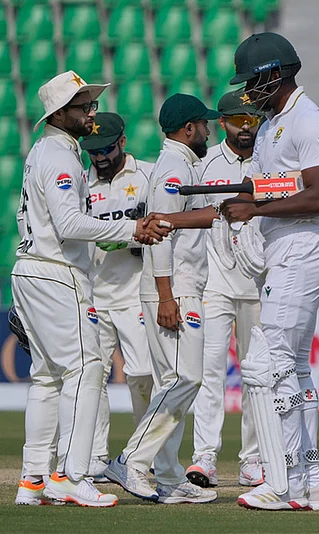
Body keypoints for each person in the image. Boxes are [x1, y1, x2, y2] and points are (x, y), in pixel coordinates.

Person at [12, 71, 168, 508]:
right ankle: (71, 474)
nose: (91, 114)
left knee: (46, 378)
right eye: (83, 107)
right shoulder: (61, 157)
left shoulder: (43, 151)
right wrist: (132, 228)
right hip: (57, 272)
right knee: (87, 369)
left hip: (31, 268)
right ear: (59, 114)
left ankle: (33, 479)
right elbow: (69, 225)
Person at [220, 32, 319, 511]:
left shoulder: (307, 119)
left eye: (254, 81)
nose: (249, 91)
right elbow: (276, 189)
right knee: (292, 367)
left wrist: (255, 212)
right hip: (286, 247)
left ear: (276, 73)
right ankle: (309, 482)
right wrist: (249, 200)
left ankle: (283, 482)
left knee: (266, 366)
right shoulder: (274, 121)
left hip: (302, 247)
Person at [105, 93, 221, 505]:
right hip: (173, 289)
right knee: (183, 379)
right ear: (188, 129)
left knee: (171, 382)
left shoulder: (178, 164)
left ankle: (170, 477)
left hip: (176, 287)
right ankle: (133, 462)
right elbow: (159, 234)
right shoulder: (173, 169)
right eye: (203, 125)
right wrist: (167, 296)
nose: (208, 130)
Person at [185, 91, 265, 489]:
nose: (246, 128)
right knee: (210, 372)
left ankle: (253, 460)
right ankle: (205, 458)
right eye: (238, 120)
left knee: (256, 376)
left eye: (252, 119)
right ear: (223, 123)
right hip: (214, 282)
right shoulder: (206, 163)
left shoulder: (272, 157)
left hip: (260, 285)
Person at [81, 112, 155, 482]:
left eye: (106, 149)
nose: (98, 158)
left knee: (142, 374)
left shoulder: (147, 176)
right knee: (93, 374)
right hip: (95, 292)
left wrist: (139, 236)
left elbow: (164, 227)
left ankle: (143, 453)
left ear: (123, 142)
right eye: (91, 151)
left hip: (135, 293)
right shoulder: (81, 182)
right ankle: (94, 455)